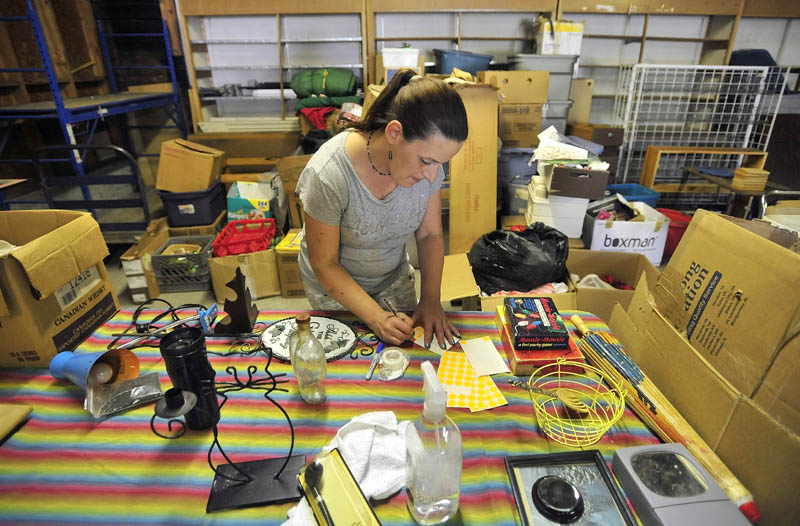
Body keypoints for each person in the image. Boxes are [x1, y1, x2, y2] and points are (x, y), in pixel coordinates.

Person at [295, 70, 468, 349]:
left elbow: (430, 235)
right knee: (347, 365)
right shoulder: (328, 173)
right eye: (426, 161)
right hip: (336, 293)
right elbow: (324, 263)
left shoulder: (429, 169)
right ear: (394, 133)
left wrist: (431, 299)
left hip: (392, 281)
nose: (432, 175)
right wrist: (376, 318)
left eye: (441, 163)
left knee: (407, 358)